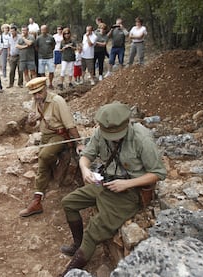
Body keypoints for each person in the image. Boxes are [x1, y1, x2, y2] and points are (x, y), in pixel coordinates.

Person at [59, 102, 167, 275]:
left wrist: (127, 184)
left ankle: (70, 272)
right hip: (106, 183)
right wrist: (85, 170)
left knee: (94, 229)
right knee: (69, 202)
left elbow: (158, 173)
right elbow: (86, 155)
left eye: (116, 134)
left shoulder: (141, 138)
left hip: (130, 191)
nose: (112, 137)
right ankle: (77, 245)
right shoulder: (101, 133)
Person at [19, 77, 83, 217]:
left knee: (43, 156)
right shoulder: (36, 102)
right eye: (34, 94)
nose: (37, 96)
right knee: (43, 161)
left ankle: (37, 200)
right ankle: (38, 198)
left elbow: (69, 124)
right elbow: (33, 125)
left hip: (60, 136)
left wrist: (78, 142)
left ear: (46, 88)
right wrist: (31, 121)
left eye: (39, 92)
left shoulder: (57, 101)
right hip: (45, 136)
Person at [35, 25, 56, 89]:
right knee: (42, 72)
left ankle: (50, 83)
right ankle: (44, 84)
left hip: (50, 57)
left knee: (51, 71)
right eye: (42, 30)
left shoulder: (51, 37)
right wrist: (40, 52)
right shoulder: (38, 38)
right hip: (41, 57)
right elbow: (36, 47)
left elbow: (53, 46)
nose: (43, 31)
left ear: (47, 30)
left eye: (44, 30)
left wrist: (49, 51)